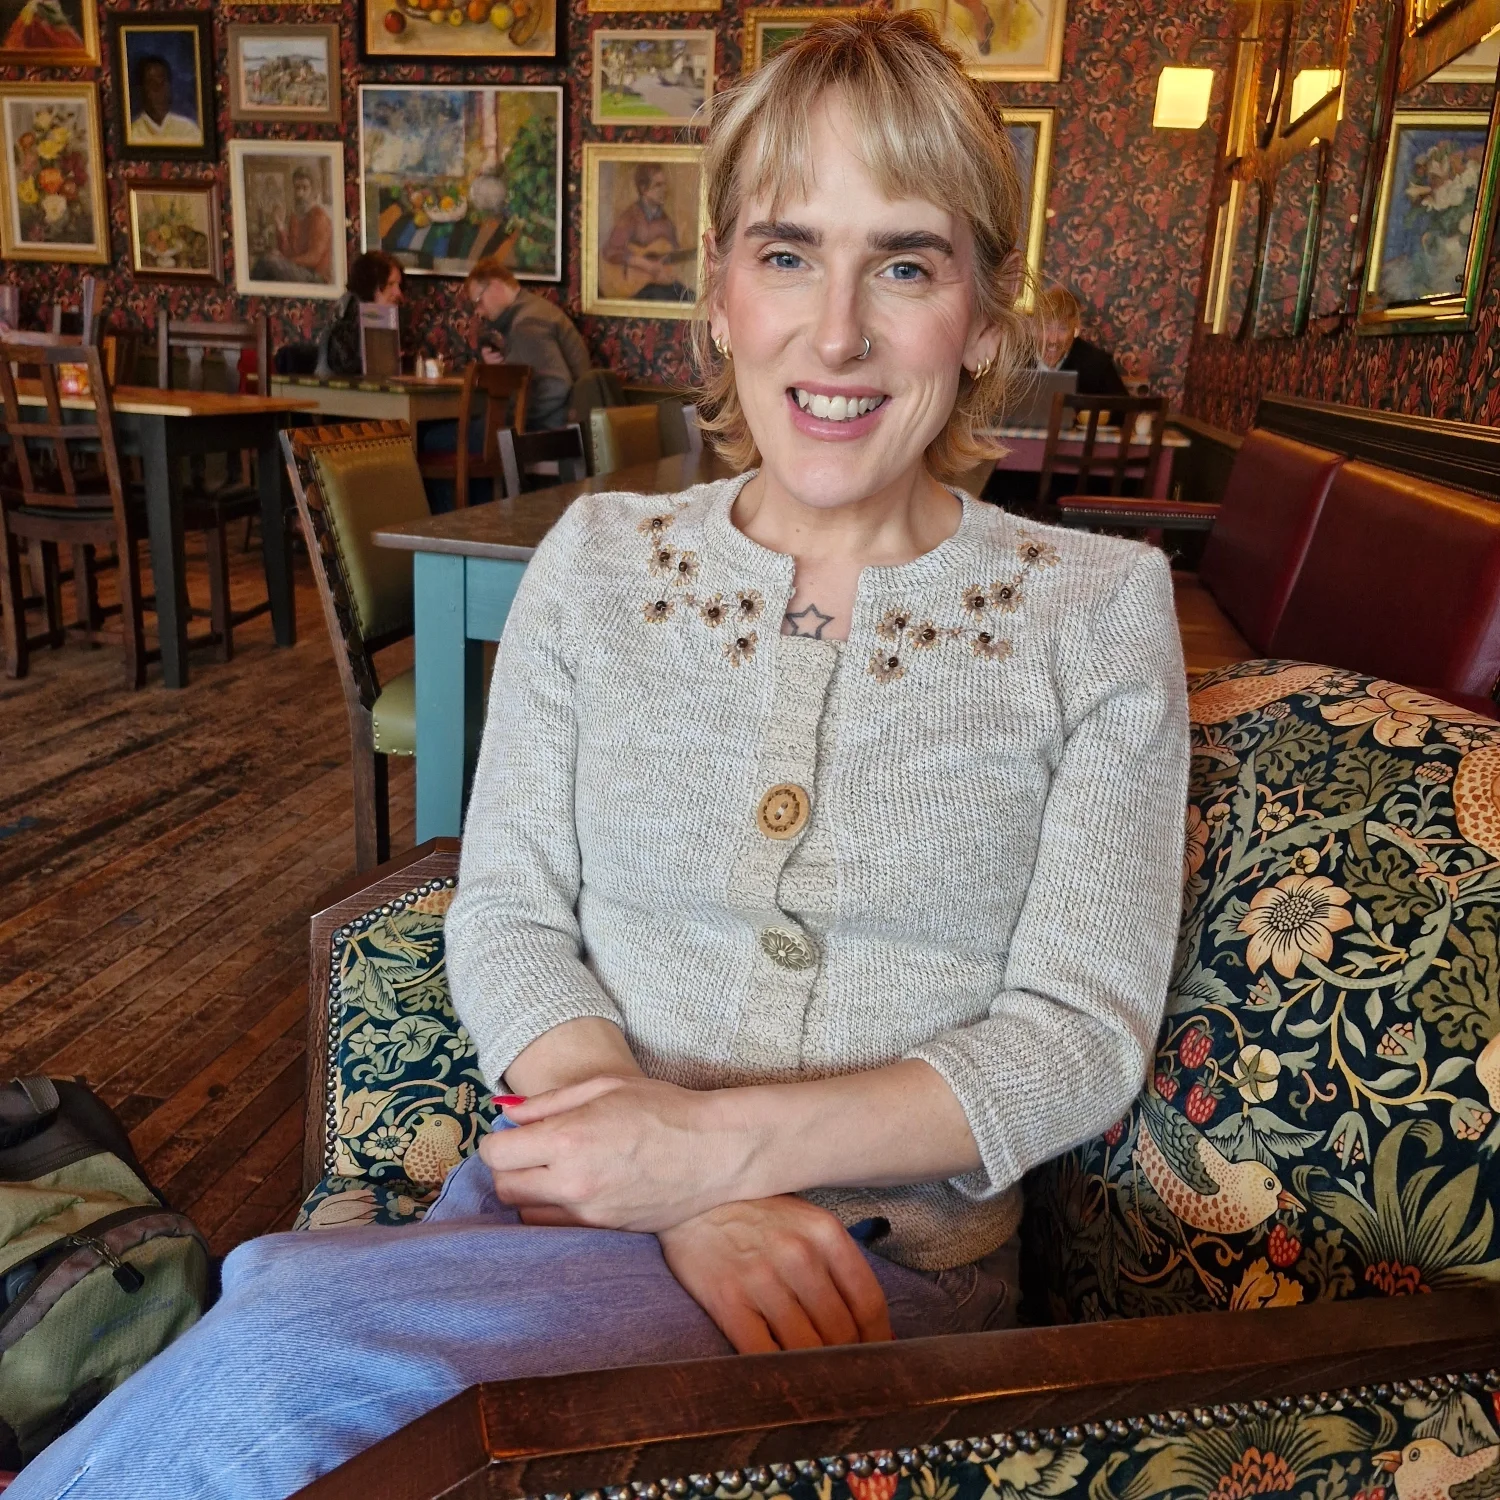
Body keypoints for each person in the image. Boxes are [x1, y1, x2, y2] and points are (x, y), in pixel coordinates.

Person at [7, 12, 1188, 1498]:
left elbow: (1076, 1035)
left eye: (904, 261)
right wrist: (653, 1179)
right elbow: (507, 903)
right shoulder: (599, 559)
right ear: (716, 296)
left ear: (985, 314)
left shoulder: (1097, 611)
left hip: (865, 1281)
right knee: (293, 1346)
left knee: (286, 1335)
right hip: (548, 1201)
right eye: (784, 253)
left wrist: (707, 1160)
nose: (836, 331)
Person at [465, 256, 591, 432]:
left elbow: (557, 387)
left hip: (548, 434)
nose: (478, 312)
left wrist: (511, 417)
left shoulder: (526, 324)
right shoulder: (533, 311)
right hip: (565, 427)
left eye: (478, 301)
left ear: (495, 286)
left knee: (429, 437)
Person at [601, 162, 696, 302]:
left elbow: (672, 256)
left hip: (657, 284)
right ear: (643, 189)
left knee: (691, 298)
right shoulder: (631, 216)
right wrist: (648, 266)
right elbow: (610, 251)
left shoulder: (666, 222)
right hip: (635, 287)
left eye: (664, 184)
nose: (664, 189)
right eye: (658, 185)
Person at [1035, 283, 1129, 401]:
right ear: (1035, 327)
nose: (1053, 339)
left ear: (1075, 328)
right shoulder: (1015, 358)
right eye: (1046, 327)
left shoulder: (1098, 364)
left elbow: (1122, 412)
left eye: (1063, 328)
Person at [322, 250, 404, 378]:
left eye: (399, 285)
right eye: (391, 284)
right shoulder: (349, 310)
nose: (398, 293)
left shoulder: (382, 317)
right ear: (372, 284)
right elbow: (344, 365)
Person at [251, 166, 332, 286]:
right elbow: (289, 252)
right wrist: (280, 227)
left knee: (268, 263)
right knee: (264, 261)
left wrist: (284, 260)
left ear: (313, 190)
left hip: (315, 277)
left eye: (305, 188)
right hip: (298, 269)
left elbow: (313, 258)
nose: (300, 193)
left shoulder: (319, 217)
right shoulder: (295, 217)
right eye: (297, 188)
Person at [128, 53, 200, 144]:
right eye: (152, 83)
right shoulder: (133, 134)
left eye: (162, 82)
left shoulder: (189, 130)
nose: (158, 89)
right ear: (141, 89)